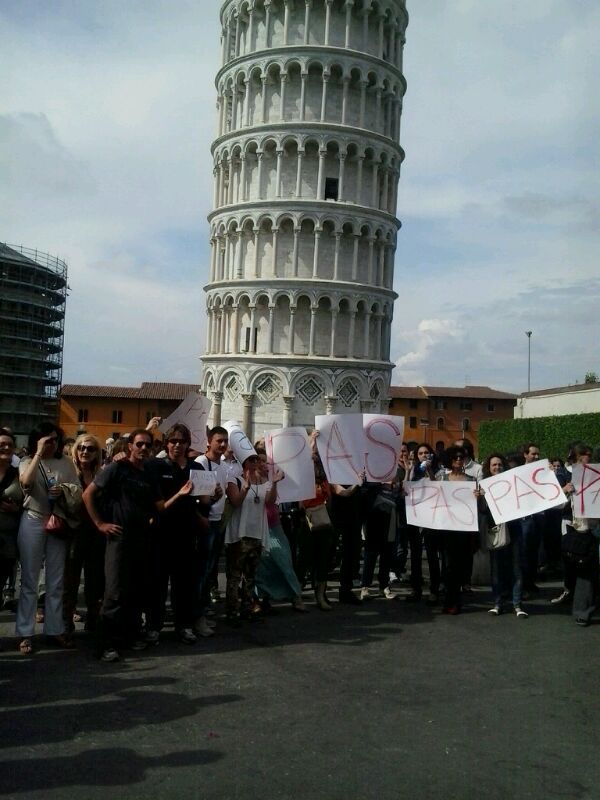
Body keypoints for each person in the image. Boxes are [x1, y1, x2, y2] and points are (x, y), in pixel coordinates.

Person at [83, 428, 163, 662]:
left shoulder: (149, 474)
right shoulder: (116, 468)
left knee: (135, 590)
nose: (143, 449)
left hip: (141, 539)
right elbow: (88, 494)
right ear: (130, 446)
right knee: (114, 592)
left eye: (148, 445)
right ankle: (105, 644)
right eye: (139, 444)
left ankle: (127, 637)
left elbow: (157, 505)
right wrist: (100, 523)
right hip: (118, 538)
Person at [146, 424, 215, 644]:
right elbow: (154, 503)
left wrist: (213, 497)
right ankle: (153, 626)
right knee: (157, 583)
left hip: (187, 534)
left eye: (182, 441)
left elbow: (204, 503)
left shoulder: (196, 468)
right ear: (166, 443)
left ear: (188, 444)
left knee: (184, 583)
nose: (177, 445)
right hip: (161, 533)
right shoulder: (155, 466)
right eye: (173, 441)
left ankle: (184, 625)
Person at [16, 423, 81, 654]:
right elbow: (26, 483)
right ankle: (25, 633)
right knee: (29, 580)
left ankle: (54, 630)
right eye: (47, 440)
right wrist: (37, 454)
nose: (52, 444)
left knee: (56, 580)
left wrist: (63, 490)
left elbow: (77, 490)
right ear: (38, 441)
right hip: (33, 519)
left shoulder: (66, 462)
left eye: (55, 439)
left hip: (58, 520)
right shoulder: (27, 460)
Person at [225, 454, 283, 624]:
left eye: (258, 460)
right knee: (235, 576)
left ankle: (246, 608)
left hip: (257, 533)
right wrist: (245, 488)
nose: (256, 463)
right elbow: (235, 502)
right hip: (239, 534)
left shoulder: (265, 481)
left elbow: (270, 502)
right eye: (252, 460)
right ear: (244, 462)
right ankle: (232, 611)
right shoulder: (234, 479)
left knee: (250, 576)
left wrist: (274, 483)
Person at [63, 433, 105, 634]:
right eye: (81, 448)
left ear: (97, 453)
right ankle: (66, 623)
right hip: (72, 534)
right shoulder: (69, 473)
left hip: (96, 535)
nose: (85, 452)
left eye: (90, 448)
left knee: (94, 581)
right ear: (75, 451)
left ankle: (93, 621)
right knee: (70, 581)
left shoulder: (101, 475)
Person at [254, 453, 306, 613]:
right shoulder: (249, 480)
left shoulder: (273, 480)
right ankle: (262, 598)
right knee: (261, 566)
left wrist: (275, 483)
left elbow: (270, 501)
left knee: (284, 560)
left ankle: (296, 596)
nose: (264, 464)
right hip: (256, 529)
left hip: (274, 527)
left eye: (266, 461)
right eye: (260, 461)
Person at [478, 453, 527, 617]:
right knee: (497, 570)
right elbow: (483, 511)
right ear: (489, 468)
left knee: (516, 568)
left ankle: (517, 604)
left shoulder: (513, 484)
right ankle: (497, 603)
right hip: (496, 531)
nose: (497, 467)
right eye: (494, 465)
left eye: (500, 464)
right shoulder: (483, 487)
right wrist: (481, 498)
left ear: (504, 467)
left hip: (514, 530)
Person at [562, 444, 599, 627]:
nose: (588, 459)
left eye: (590, 455)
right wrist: (564, 491)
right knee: (586, 573)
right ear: (577, 458)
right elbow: (557, 506)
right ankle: (582, 611)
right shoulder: (571, 477)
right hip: (586, 530)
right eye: (585, 456)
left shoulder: (595, 474)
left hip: (595, 527)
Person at [195, 426, 229, 619]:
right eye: (219, 441)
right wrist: (213, 498)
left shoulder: (224, 467)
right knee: (203, 566)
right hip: (204, 521)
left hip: (218, 521)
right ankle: (198, 607)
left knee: (211, 566)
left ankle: (204, 603)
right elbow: (199, 498)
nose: (223, 444)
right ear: (209, 441)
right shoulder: (200, 462)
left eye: (225, 441)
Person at [438, 446, 476, 615]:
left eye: (461, 457)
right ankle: (448, 600)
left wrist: (478, 497)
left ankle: (455, 602)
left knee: (460, 567)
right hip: (447, 529)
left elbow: (478, 506)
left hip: (464, 529)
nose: (459, 460)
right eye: (455, 458)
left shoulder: (471, 480)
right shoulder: (442, 479)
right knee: (448, 567)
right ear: (450, 460)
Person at [404, 443, 444, 604]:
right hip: (415, 518)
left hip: (431, 519)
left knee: (432, 556)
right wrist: (407, 471)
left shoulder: (439, 471)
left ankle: (434, 590)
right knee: (415, 555)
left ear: (431, 455)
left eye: (426, 452)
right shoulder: (413, 470)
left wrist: (428, 470)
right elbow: (404, 489)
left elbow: (438, 488)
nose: (423, 455)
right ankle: (416, 589)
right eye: (420, 453)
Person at [0, 430, 23, 633]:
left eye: (9, 444)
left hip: (7, 538)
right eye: (2, 444)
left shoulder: (18, 473)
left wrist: (17, 509)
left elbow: (27, 502)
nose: (6, 448)